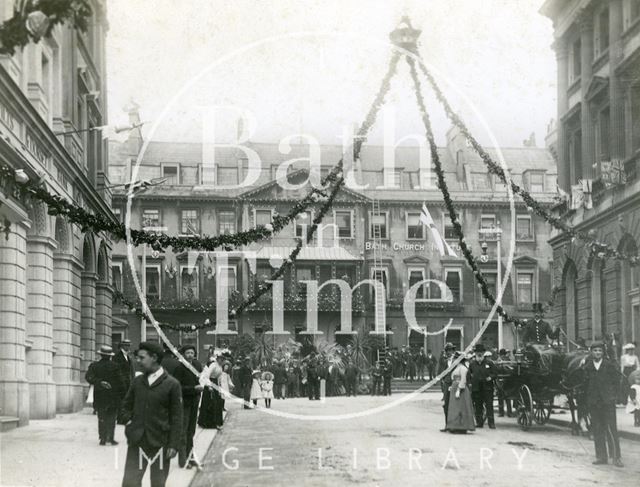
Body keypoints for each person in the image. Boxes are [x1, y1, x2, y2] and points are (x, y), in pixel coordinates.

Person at [120, 342, 183, 487]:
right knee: (130, 483)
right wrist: (129, 422)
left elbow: (177, 417)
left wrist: (173, 444)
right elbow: (125, 406)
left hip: (161, 442)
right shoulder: (137, 382)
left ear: (154, 357)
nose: (138, 361)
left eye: (142, 358)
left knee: (158, 483)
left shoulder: (172, 384)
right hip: (137, 440)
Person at [580, 341, 623, 467]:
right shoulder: (587, 367)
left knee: (611, 429)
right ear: (591, 352)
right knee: (597, 429)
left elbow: (616, 382)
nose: (597, 353)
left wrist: (613, 396)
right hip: (594, 402)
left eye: (600, 351)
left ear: (603, 353)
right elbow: (584, 385)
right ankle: (601, 456)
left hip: (607, 402)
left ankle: (616, 457)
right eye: (595, 351)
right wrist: (586, 401)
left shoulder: (609, 365)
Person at [86, 345, 124, 446]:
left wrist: (99, 382)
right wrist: (121, 395)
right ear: (110, 356)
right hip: (113, 396)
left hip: (100, 396)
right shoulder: (116, 366)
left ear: (101, 355)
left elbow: (88, 377)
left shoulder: (94, 366)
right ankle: (110, 438)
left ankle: (102, 438)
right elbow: (121, 382)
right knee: (112, 417)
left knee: (101, 417)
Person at [172, 345, 204, 468]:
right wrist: (193, 389)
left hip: (193, 402)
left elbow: (197, 381)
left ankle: (190, 457)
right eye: (188, 353)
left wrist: (200, 386)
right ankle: (183, 460)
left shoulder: (195, 366)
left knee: (191, 431)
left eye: (192, 352)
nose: (190, 355)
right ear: (183, 354)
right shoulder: (179, 368)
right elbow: (177, 387)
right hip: (184, 403)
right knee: (183, 432)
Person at [469, 343, 497, 429]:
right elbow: (469, 374)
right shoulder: (472, 364)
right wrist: (470, 382)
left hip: (487, 388)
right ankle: (479, 422)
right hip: (476, 388)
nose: (479, 354)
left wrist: (491, 377)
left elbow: (495, 373)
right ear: (475, 353)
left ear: (484, 353)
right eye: (478, 352)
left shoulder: (489, 363)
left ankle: (491, 423)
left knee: (489, 405)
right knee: (478, 406)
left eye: (481, 352)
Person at [446, 352, 475, 433]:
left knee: (461, 408)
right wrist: (452, 386)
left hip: (461, 390)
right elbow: (454, 378)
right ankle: (455, 426)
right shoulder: (457, 368)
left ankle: (462, 427)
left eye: (456, 359)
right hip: (454, 388)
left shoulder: (463, 368)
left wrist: (459, 390)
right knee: (455, 408)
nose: (454, 360)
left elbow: (463, 380)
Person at [437, 343, 456, 431]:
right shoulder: (444, 362)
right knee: (446, 405)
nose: (449, 352)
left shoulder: (457, 360)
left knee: (455, 404)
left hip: (456, 384)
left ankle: (455, 426)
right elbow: (442, 373)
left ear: (453, 351)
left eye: (450, 350)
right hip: (447, 385)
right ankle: (447, 425)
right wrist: (443, 383)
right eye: (447, 351)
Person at [496, 349, 513, 417]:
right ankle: (509, 412)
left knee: (500, 397)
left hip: (501, 379)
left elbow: (497, 369)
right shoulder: (508, 359)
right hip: (508, 379)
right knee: (507, 397)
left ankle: (501, 412)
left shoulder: (499, 359)